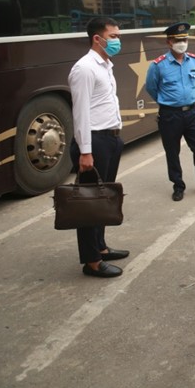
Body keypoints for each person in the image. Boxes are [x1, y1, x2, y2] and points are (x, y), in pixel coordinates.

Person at [68, 17, 130, 278]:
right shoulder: (84, 68)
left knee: (102, 200)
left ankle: (101, 247)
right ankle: (91, 261)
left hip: (110, 139)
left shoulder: (105, 65)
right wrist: (85, 151)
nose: (117, 40)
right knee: (89, 204)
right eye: (113, 36)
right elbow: (80, 113)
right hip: (94, 142)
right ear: (98, 38)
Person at [146, 22, 195, 201]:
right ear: (169, 42)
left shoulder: (193, 60)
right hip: (170, 115)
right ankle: (178, 185)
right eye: (178, 40)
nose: (183, 43)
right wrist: (168, 102)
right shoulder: (158, 65)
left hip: (192, 113)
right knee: (172, 151)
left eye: (185, 39)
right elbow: (151, 88)